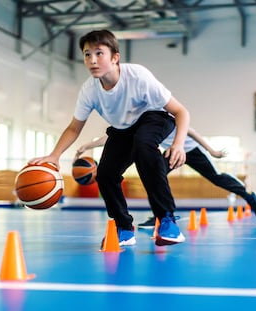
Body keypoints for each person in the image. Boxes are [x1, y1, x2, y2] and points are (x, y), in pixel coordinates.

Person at [29, 29, 190, 247]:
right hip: (123, 128)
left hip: (155, 117)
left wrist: (179, 145)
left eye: (99, 53)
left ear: (115, 57)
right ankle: (124, 227)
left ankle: (167, 219)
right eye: (87, 54)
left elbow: (181, 111)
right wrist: (54, 156)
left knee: (144, 146)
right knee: (105, 174)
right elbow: (74, 127)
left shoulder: (138, 76)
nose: (92, 60)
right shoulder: (89, 90)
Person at [75, 127, 256, 229]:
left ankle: (249, 196)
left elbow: (191, 132)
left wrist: (212, 150)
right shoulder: (139, 121)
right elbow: (113, 137)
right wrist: (88, 145)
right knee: (154, 176)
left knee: (216, 177)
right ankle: (162, 215)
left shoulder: (164, 114)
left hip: (190, 150)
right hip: (171, 152)